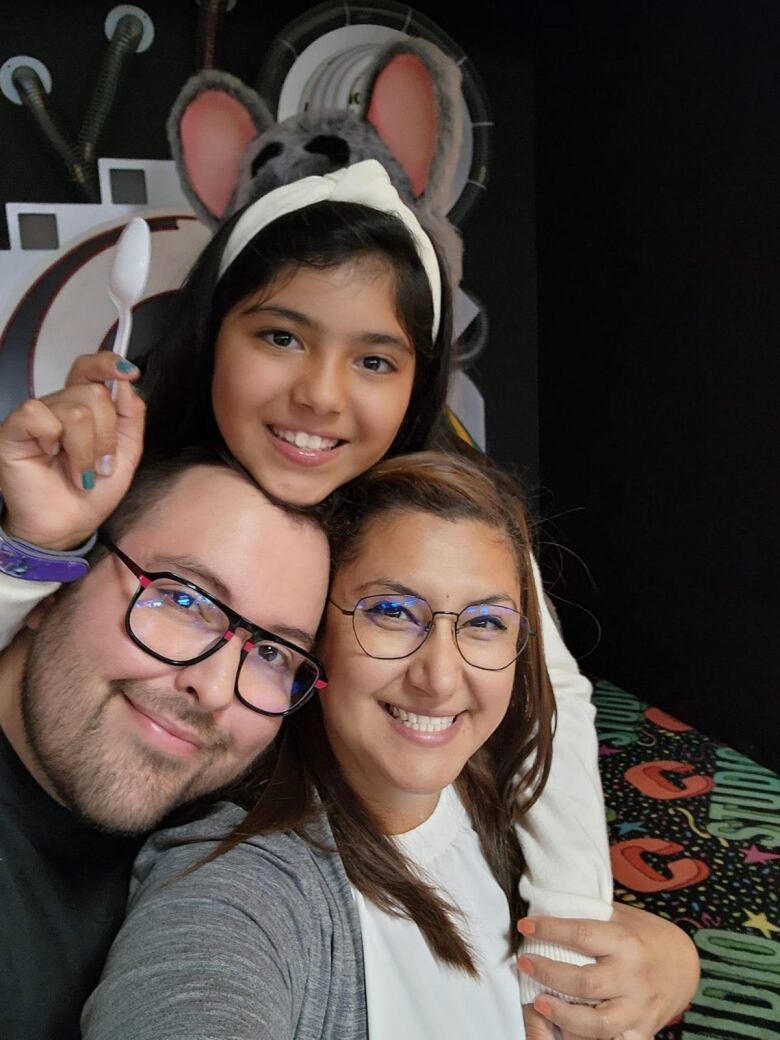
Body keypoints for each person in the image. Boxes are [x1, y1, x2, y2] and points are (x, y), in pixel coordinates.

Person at [0, 160, 608, 1005]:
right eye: (281, 337)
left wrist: (583, 929)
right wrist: (35, 542)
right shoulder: (118, 472)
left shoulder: (431, 515)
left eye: (375, 361)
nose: (320, 396)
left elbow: (556, 690)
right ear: (215, 334)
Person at [82, 452, 699, 1040]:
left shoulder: (492, 795)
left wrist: (676, 959)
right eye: (393, 612)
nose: (439, 677)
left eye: (485, 623)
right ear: (315, 637)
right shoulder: (242, 888)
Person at [0, 444, 331, 1040]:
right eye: (183, 600)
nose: (213, 687)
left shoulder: (238, 873)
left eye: (272, 653)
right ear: (53, 583)